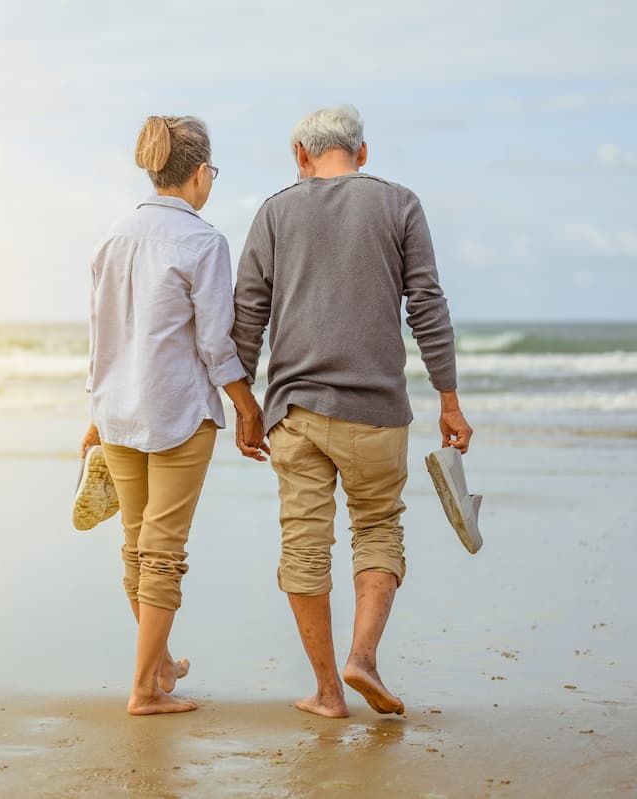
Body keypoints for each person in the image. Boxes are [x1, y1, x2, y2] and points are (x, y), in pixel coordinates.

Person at [231, 104, 474, 718]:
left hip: (296, 412)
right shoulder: (400, 204)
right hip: (377, 413)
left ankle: (327, 692)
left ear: (301, 158)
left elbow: (247, 317)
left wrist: (245, 405)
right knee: (378, 530)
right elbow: (427, 306)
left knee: (305, 548)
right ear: (363, 153)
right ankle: (362, 657)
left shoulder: (275, 211)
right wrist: (448, 397)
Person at [80, 115, 269, 716]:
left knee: (137, 547)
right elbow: (216, 342)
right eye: (211, 171)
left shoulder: (112, 237)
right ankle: (143, 690)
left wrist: (94, 412)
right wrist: (245, 406)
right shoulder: (203, 242)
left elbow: (100, 338)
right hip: (179, 413)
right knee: (162, 552)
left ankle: (157, 667)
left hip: (117, 413)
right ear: (198, 173)